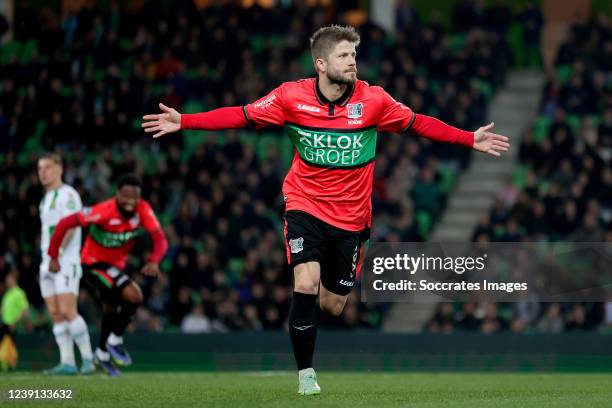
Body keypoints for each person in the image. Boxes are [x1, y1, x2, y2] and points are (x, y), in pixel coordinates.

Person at [141, 25, 509, 395]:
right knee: (305, 282)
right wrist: (184, 121)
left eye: (354, 55)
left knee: (333, 305)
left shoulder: (374, 101)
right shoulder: (289, 97)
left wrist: (468, 137)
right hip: (304, 204)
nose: (353, 62)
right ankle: (306, 376)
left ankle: (322, 320)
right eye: (344, 56)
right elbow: (242, 115)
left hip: (351, 219)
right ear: (321, 63)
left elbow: (417, 124)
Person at [48, 174, 168, 376]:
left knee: (111, 309)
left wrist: (155, 260)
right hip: (92, 264)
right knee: (134, 295)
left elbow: (160, 240)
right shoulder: (102, 211)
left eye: (134, 198)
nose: (130, 203)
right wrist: (53, 256)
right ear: (117, 195)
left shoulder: (144, 210)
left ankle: (102, 354)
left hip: (114, 266)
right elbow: (65, 223)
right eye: (126, 197)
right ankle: (115, 341)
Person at [37, 153, 94, 375]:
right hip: (47, 262)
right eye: (40, 168)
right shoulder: (44, 200)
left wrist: (57, 255)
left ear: (60, 169)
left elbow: (71, 227)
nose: (43, 172)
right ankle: (68, 362)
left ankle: (88, 359)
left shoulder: (68, 195)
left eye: (48, 167)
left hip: (64, 260)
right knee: (55, 312)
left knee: (68, 310)